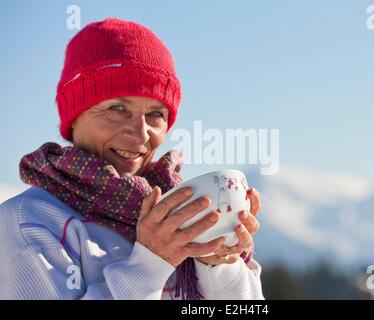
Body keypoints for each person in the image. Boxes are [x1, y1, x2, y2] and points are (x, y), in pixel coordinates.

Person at [0, 18, 264, 300]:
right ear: (74, 118)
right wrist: (151, 262)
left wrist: (215, 262)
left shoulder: (176, 214)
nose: (140, 135)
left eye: (155, 114)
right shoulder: (28, 222)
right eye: (117, 108)